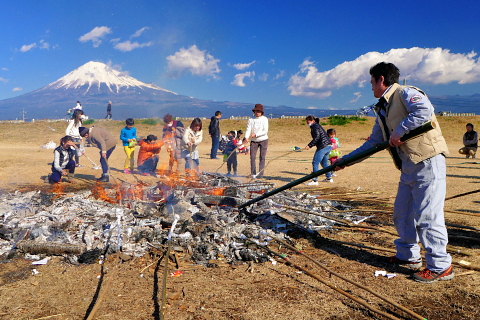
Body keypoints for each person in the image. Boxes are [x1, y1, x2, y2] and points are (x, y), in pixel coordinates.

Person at [335, 62, 452, 283]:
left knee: (427, 215)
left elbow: (424, 110)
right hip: (408, 165)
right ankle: (408, 256)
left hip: (427, 161)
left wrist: (399, 131)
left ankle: (440, 265)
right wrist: (345, 161)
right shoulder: (382, 108)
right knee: (402, 213)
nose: (370, 87)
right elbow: (373, 143)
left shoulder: (406, 92)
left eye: (371, 82)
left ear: (381, 79)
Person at [304, 116, 333, 185]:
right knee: (324, 163)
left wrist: (309, 145)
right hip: (328, 145)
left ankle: (315, 180)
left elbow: (317, 137)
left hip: (323, 147)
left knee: (315, 162)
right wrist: (314, 143)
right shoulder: (317, 125)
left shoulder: (314, 126)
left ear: (312, 120)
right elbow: (319, 137)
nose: (307, 123)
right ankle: (329, 178)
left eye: (308, 122)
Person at [245, 104, 269, 178]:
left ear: (261, 112)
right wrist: (246, 137)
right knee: (252, 157)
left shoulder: (264, 119)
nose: (257, 113)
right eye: (256, 111)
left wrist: (256, 134)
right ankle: (253, 173)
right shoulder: (251, 119)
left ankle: (260, 174)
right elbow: (248, 129)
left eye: (259, 111)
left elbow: (265, 131)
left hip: (263, 140)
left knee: (262, 157)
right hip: (253, 141)